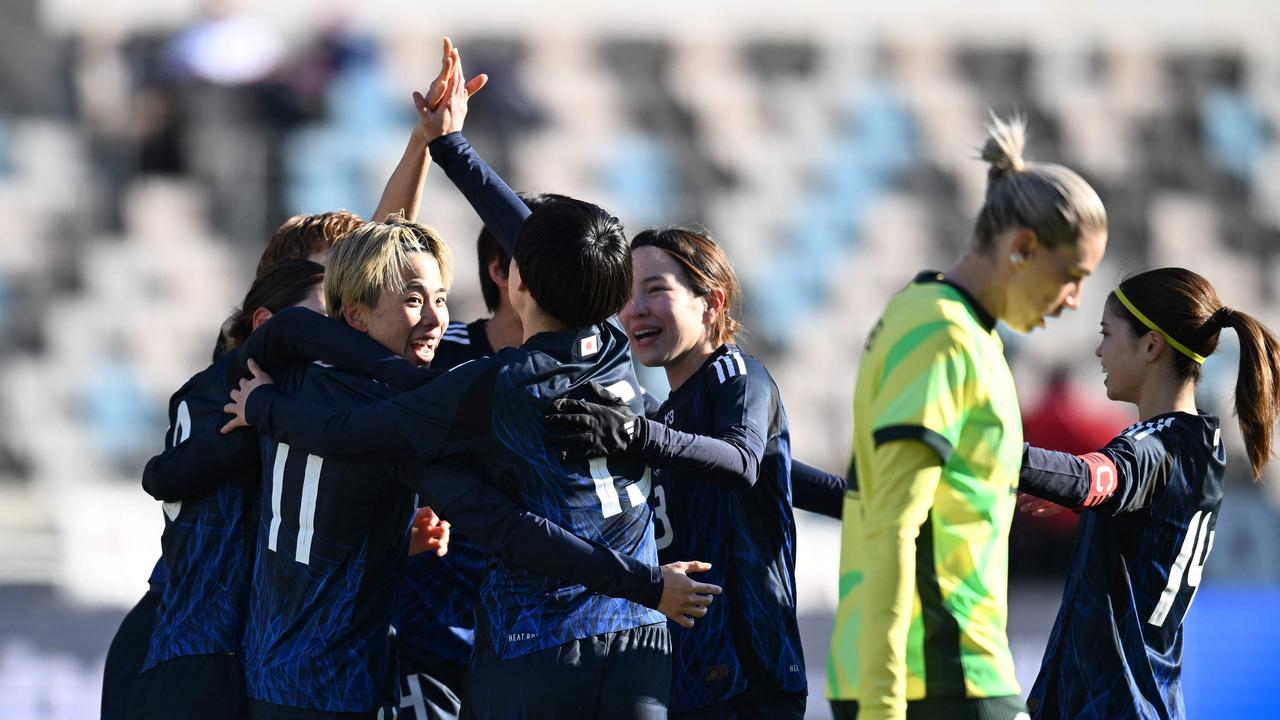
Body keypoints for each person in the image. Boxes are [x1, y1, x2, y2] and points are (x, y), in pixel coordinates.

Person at [222, 46, 717, 718]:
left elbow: (357, 437)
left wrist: (264, 407)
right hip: (631, 643)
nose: (430, 314)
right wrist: (446, 142)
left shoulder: (486, 382)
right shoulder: (606, 342)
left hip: (531, 645)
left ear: (520, 276)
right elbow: (404, 262)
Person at [826, 114, 1109, 720]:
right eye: (1072, 276)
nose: (1075, 300)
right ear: (1022, 248)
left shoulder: (955, 328)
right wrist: (881, 706)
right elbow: (892, 526)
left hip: (950, 673)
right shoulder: (942, 334)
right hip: (932, 679)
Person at [541, 227, 832, 718]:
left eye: (656, 289)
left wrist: (635, 436)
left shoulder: (735, 375)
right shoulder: (668, 415)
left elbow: (742, 461)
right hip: (686, 676)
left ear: (711, 303)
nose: (635, 309)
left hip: (748, 675)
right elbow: (794, 479)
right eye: (626, 295)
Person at [1016, 267, 1280, 719]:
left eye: (1107, 334)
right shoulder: (1201, 443)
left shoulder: (1154, 446)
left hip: (1111, 705)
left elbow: (1093, 477)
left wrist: (984, 450)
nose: (1099, 350)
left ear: (1151, 345)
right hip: (1148, 701)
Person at [116, 260, 325, 720]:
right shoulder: (236, 397)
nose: (342, 333)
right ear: (266, 324)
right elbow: (162, 477)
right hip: (208, 661)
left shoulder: (281, 399)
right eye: (326, 317)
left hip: (211, 657)